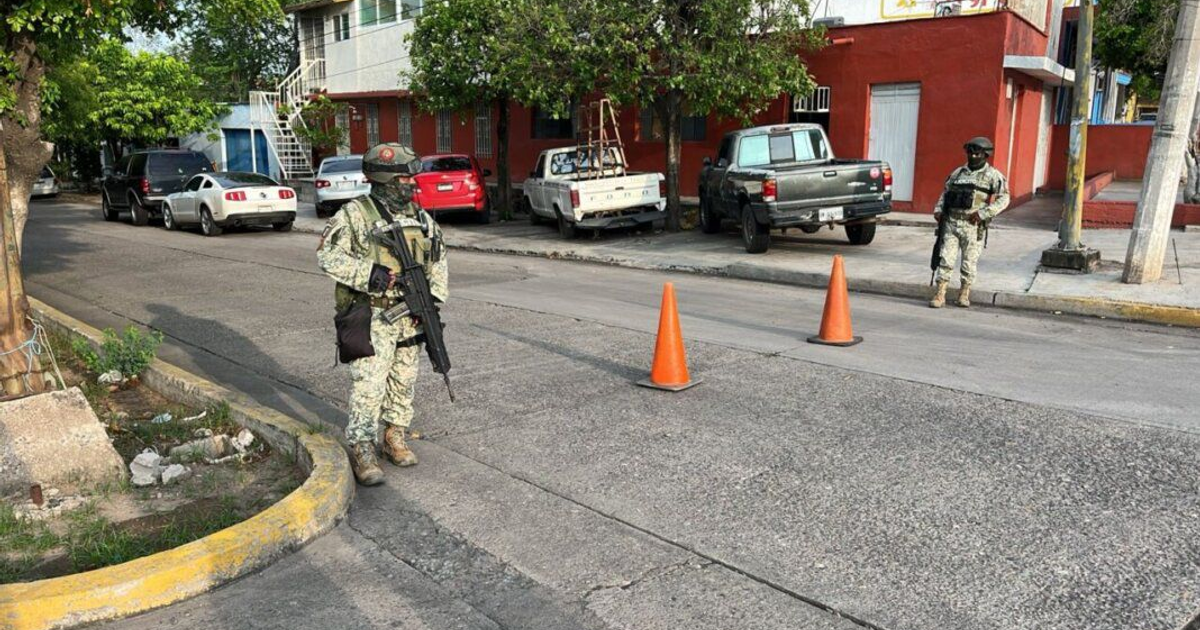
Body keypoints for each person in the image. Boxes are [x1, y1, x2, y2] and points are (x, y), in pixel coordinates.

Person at [317, 143, 448, 485]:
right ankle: (362, 447)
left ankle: (394, 436)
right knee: (369, 386)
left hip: (410, 317)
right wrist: (368, 274)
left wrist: (432, 302)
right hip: (373, 316)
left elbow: (438, 259)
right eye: (405, 178)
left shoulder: (419, 217)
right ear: (385, 180)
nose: (411, 184)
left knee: (404, 381)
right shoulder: (355, 215)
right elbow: (328, 257)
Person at [930, 137, 1010, 308]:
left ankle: (964, 293)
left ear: (985, 155)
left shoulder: (993, 175)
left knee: (969, 262)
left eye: (977, 153)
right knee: (946, 259)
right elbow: (945, 193)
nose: (973, 156)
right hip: (951, 222)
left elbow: (1004, 198)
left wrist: (983, 213)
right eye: (970, 153)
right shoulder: (958, 173)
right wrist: (938, 210)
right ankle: (940, 294)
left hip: (972, 226)